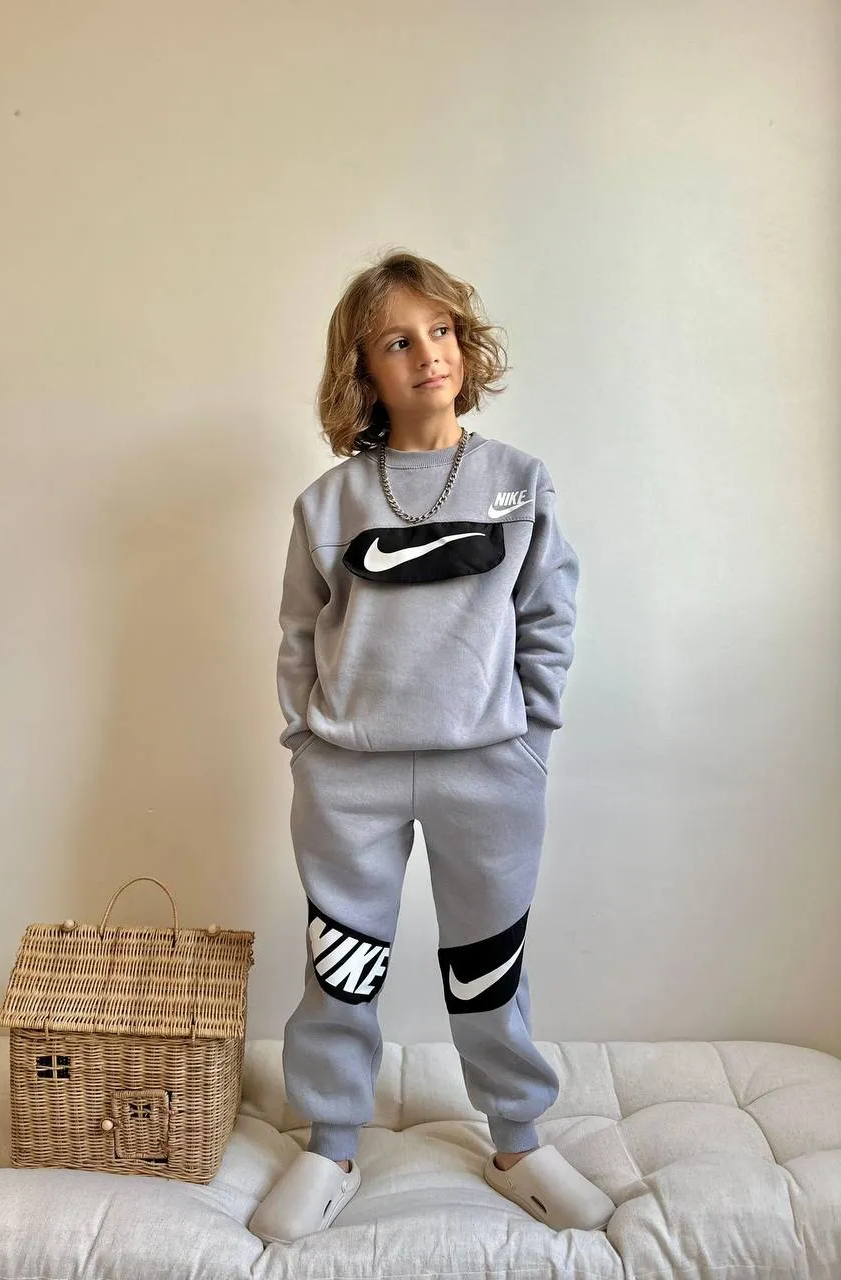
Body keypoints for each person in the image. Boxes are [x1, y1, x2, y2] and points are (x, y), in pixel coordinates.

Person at [249, 249, 615, 1244]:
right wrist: (307, 743)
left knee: (490, 962)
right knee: (342, 965)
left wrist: (530, 735)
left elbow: (548, 618)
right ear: (363, 369)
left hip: (489, 770)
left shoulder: (519, 483)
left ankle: (518, 1140)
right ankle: (331, 1143)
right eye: (397, 341)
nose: (428, 355)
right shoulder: (328, 504)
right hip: (348, 775)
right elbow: (298, 635)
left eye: (441, 330)